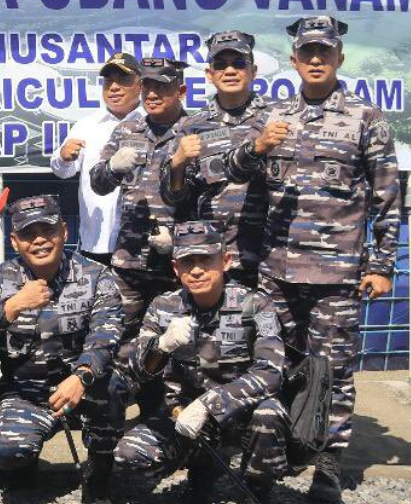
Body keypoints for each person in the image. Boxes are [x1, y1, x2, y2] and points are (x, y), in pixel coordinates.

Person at [225, 15, 400, 503]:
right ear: (295, 60)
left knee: (334, 367)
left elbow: (386, 198)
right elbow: (240, 175)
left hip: (336, 272)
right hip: (276, 272)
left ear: (340, 58)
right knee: (273, 361)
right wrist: (258, 145)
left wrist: (381, 267)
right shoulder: (275, 116)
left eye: (325, 52)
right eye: (308, 53)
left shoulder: (367, 117)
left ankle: (329, 460)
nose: (316, 60)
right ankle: (274, 450)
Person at [0, 196, 123, 504]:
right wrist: (10, 308)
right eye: (28, 233)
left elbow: (105, 335)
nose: (39, 239)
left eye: (47, 229)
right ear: (15, 241)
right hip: (27, 394)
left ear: (64, 231)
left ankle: (98, 479)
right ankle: (26, 461)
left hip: (82, 390)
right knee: (6, 453)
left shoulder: (96, 276)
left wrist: (82, 375)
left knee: (111, 386)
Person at [114, 221, 288, 504]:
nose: (196, 271)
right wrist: (160, 347)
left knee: (269, 413)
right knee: (128, 455)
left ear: (225, 261)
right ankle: (202, 471)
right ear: (175, 268)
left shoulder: (256, 305)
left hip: (237, 416)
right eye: (187, 263)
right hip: (181, 418)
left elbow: (271, 372)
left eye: (206, 260)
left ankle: (257, 503)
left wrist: (212, 404)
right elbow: (136, 371)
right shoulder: (162, 307)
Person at [89, 57, 190, 344]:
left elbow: (212, 200)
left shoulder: (196, 131)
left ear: (180, 92)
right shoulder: (126, 130)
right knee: (119, 340)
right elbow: (98, 184)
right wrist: (111, 168)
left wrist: (180, 241)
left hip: (176, 264)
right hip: (129, 261)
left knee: (174, 343)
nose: (153, 95)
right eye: (147, 87)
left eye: (162, 87)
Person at [162, 31, 269, 286]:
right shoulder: (192, 125)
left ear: (253, 71)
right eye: (220, 65)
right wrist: (177, 164)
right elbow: (173, 198)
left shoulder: (277, 117)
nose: (229, 70)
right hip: (212, 259)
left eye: (239, 63)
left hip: (268, 257)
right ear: (210, 75)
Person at [50, 52, 143, 265]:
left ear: (140, 85)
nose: (114, 87)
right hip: (97, 240)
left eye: (124, 80)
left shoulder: (152, 122)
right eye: (108, 81)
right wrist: (64, 157)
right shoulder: (87, 125)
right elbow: (63, 172)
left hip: (141, 242)